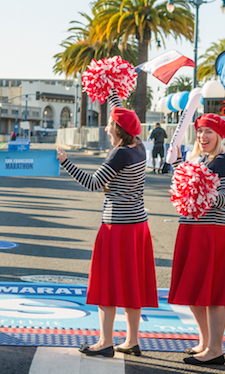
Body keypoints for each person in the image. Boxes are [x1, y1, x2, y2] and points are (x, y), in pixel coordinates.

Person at [55, 89, 153, 357]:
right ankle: (132, 341)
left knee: (106, 285)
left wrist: (66, 163)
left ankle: (105, 341)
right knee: (133, 286)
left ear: (119, 130)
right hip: (138, 225)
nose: (107, 127)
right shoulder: (139, 148)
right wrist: (111, 92)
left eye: (110, 124)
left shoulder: (118, 155)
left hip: (116, 227)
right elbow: (122, 114)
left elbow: (93, 183)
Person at [168, 113, 225, 366]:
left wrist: (202, 191)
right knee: (194, 294)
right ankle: (204, 342)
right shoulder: (196, 159)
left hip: (212, 234)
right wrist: (179, 171)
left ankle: (216, 349)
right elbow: (181, 190)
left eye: (209, 132)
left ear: (220, 136)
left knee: (214, 296)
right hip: (191, 232)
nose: (203, 136)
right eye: (200, 131)